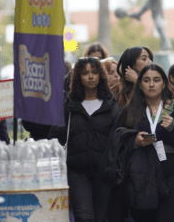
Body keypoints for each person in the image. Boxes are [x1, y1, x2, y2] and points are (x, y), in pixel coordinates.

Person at [116, 64, 174, 222]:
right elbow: (117, 139)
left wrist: (173, 129)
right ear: (140, 84)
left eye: (156, 80)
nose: (152, 84)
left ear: (164, 83)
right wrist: (134, 141)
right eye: (146, 80)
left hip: (172, 173)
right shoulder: (131, 110)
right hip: (141, 175)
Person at [49, 57, 121, 222]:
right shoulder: (68, 105)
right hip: (76, 170)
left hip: (103, 172)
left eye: (94, 72)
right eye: (85, 73)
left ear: (100, 76)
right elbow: (56, 137)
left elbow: (119, 139)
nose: (90, 77)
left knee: (100, 217)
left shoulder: (112, 106)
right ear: (78, 77)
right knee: (83, 216)